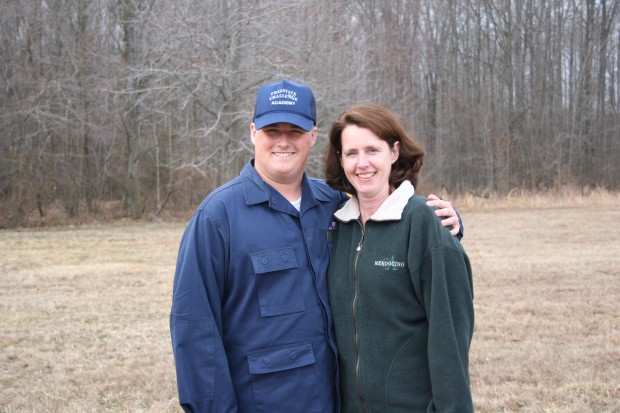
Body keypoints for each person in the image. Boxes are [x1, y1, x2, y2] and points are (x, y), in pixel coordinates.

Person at [169, 80, 462, 413]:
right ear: (252, 133)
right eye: (271, 130)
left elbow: (386, 221)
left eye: (294, 131)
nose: (283, 141)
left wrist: (446, 220)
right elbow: (194, 329)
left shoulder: (334, 205)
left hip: (336, 400)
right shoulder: (218, 217)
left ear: (312, 136)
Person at [324, 103, 475, 412]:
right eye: (351, 153)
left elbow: (451, 341)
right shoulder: (337, 226)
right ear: (341, 160)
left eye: (372, 150)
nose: (362, 163)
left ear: (394, 152)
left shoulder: (424, 223)